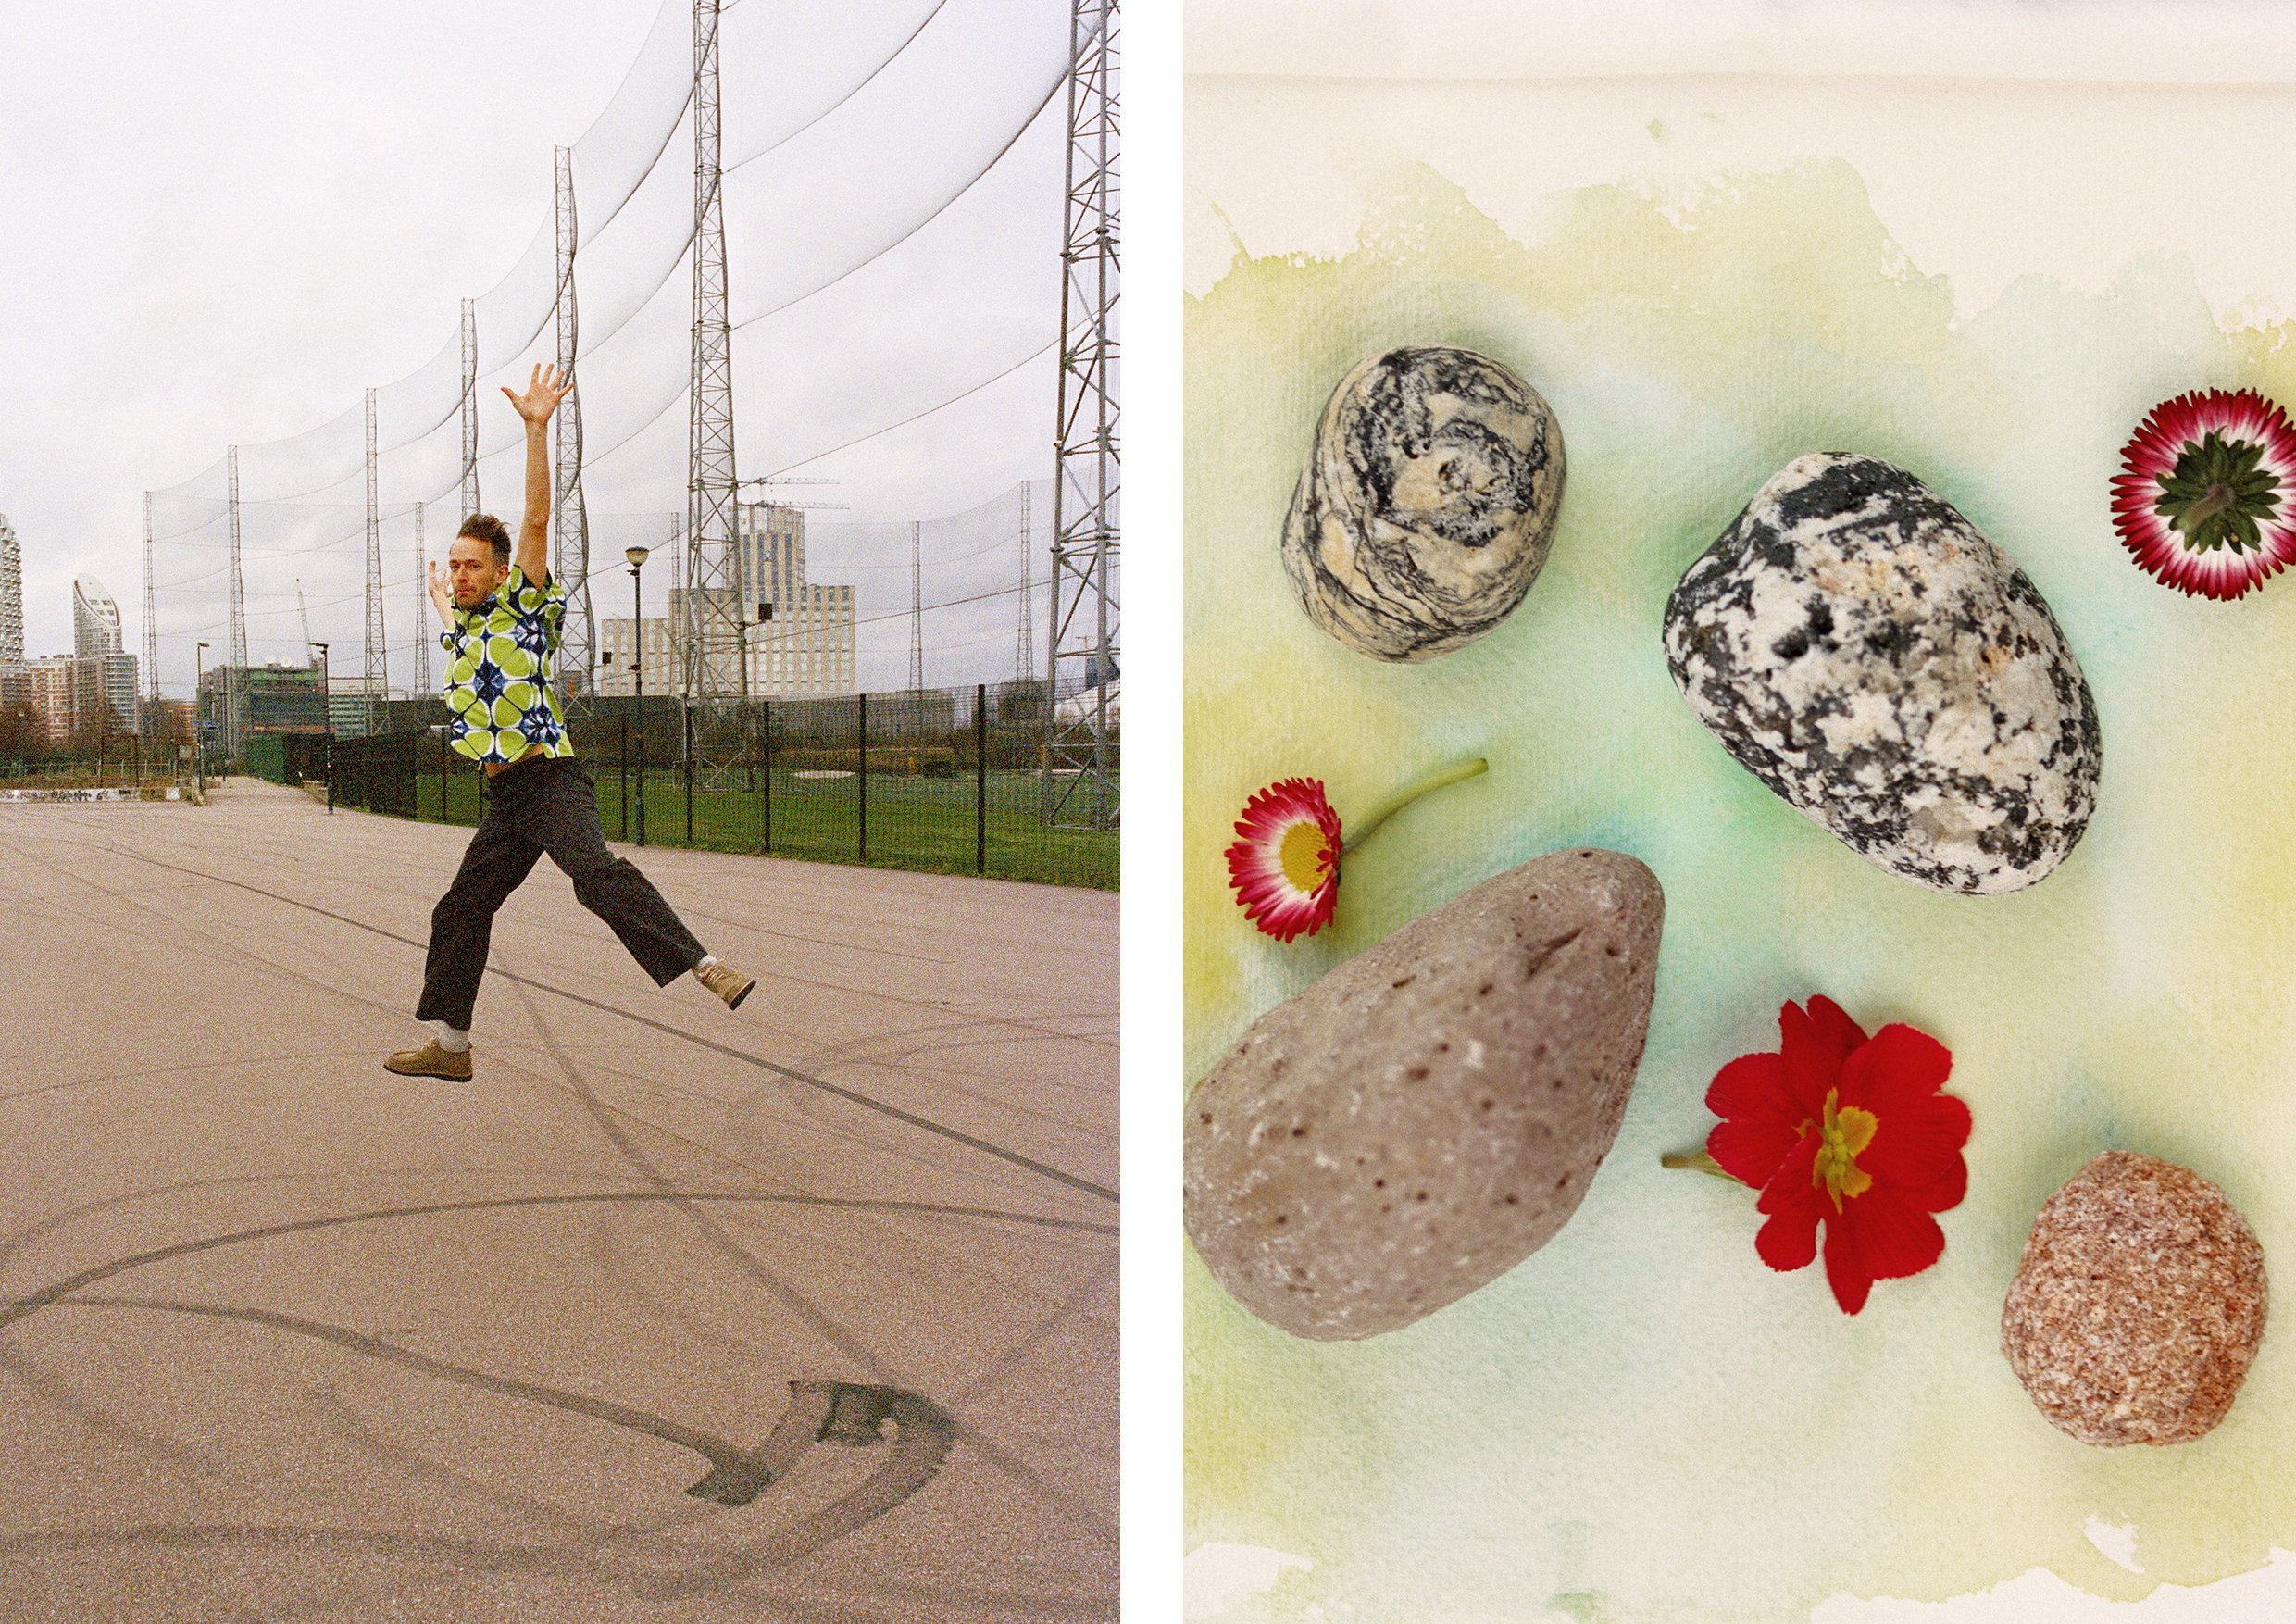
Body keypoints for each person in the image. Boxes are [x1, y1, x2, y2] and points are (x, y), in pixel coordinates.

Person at [385, 362, 754, 1081]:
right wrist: (439, 600)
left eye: (470, 567)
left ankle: (705, 965)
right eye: (452, 566)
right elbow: (456, 628)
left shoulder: (523, 608)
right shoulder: (462, 629)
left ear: (499, 573)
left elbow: (535, 520)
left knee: (592, 872)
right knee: (461, 908)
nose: (458, 576)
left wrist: (535, 429)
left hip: (550, 780)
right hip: (506, 800)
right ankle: (452, 1051)